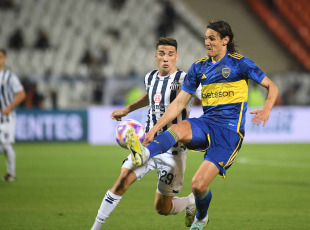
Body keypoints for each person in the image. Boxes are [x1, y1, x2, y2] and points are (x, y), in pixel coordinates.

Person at [125, 20, 279, 230]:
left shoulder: (240, 64)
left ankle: (201, 217)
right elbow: (179, 102)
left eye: (212, 38)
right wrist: (153, 130)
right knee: (178, 128)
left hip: (229, 134)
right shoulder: (199, 67)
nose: (207, 42)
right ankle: (144, 153)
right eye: (206, 38)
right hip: (207, 123)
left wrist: (266, 109)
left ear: (225, 41)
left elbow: (272, 86)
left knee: (198, 186)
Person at [90, 37, 201, 230]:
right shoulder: (150, 77)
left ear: (176, 57)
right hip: (147, 144)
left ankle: (191, 201)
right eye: (161, 54)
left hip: (173, 151)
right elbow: (149, 96)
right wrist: (127, 109)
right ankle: (95, 228)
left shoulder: (186, 79)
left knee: (162, 208)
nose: (166, 58)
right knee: (122, 180)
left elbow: (205, 96)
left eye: (170, 54)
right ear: (155, 56)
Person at [0, 49, 26, 182]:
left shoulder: (9, 77)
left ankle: (11, 173)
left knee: (5, 145)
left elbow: (21, 94)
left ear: (5, 59)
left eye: (1, 57)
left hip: (6, 118)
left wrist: (9, 107)